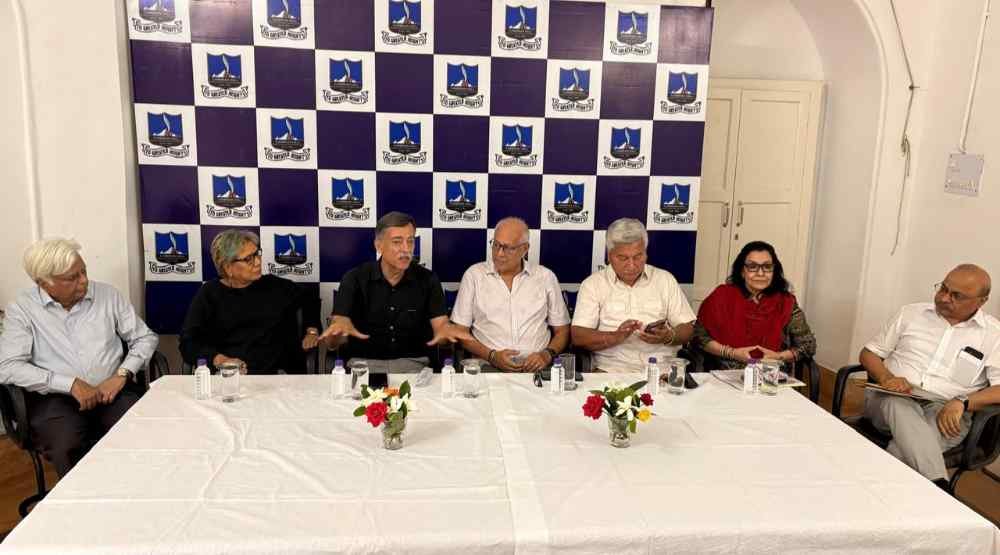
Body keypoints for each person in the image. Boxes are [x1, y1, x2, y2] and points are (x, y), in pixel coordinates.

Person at [0, 239, 158, 475]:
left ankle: (136, 488)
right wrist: (70, 384)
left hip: (112, 390)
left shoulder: (108, 295)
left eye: (84, 271)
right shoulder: (22, 309)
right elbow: (8, 366)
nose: (84, 280)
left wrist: (122, 375)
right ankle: (82, 497)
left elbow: (145, 338)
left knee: (140, 433)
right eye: (72, 277)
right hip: (56, 399)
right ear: (44, 283)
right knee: (67, 445)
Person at [860, 264, 1000, 489]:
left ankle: (874, 490)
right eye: (943, 288)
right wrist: (886, 378)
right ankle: (941, 487)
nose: (944, 298)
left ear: (981, 301)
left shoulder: (994, 335)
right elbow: (869, 354)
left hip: (946, 410)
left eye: (956, 296)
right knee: (897, 404)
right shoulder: (910, 314)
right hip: (891, 399)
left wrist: (962, 402)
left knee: (905, 448)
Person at [319, 212, 472, 379]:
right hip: (364, 367)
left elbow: (440, 326)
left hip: (416, 368)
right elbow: (337, 329)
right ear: (379, 245)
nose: (406, 249)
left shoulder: (428, 280)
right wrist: (336, 335)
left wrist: (446, 334)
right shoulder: (354, 278)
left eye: (410, 241)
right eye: (397, 242)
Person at [180, 229, 320, 374]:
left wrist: (311, 330)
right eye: (248, 259)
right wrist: (220, 360)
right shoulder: (209, 293)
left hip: (277, 376)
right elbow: (188, 343)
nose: (258, 262)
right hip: (230, 377)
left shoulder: (275, 286)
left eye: (257, 254)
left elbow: (309, 298)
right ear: (228, 267)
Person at [571, 218, 696, 372]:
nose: (631, 265)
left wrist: (668, 336)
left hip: (662, 371)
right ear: (609, 255)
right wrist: (615, 336)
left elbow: (687, 329)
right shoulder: (593, 285)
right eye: (623, 258)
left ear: (646, 253)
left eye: (638, 256)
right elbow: (578, 336)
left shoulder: (665, 280)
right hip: (611, 371)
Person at [451, 217, 570, 372]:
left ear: (525, 249)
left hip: (537, 367)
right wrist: (492, 356)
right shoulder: (474, 276)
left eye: (508, 248)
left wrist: (546, 355)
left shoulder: (545, 277)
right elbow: (460, 332)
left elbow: (562, 330)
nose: (499, 253)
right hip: (488, 366)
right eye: (496, 245)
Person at [692, 241, 816, 369]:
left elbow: (807, 345)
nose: (760, 273)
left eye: (767, 267)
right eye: (752, 266)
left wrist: (777, 356)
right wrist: (732, 353)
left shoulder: (785, 303)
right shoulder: (721, 297)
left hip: (770, 374)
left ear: (774, 270)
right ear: (742, 271)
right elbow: (698, 336)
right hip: (724, 372)